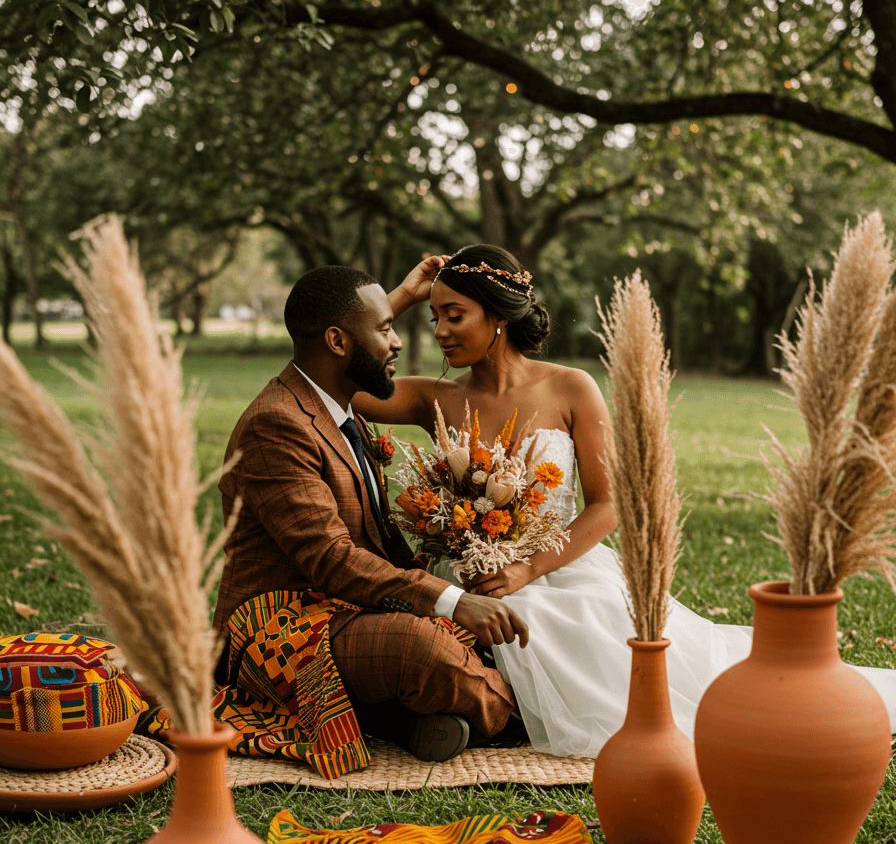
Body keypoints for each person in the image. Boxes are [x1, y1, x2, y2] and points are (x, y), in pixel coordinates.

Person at [353, 243, 896, 757]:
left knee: (579, 621)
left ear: (499, 315)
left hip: (559, 564)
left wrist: (527, 568)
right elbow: (338, 381)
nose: (441, 330)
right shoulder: (435, 396)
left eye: (455, 314)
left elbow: (608, 503)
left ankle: (481, 717)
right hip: (467, 572)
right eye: (434, 317)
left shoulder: (571, 388)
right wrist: (400, 296)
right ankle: (480, 712)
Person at [212, 259, 528, 778]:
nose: (398, 342)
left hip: (344, 609)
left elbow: (372, 546)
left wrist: (444, 581)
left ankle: (397, 716)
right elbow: (330, 559)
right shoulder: (275, 424)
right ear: (338, 342)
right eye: (386, 330)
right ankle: (527, 715)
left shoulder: (339, 408)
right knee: (424, 649)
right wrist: (450, 601)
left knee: (460, 632)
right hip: (280, 628)